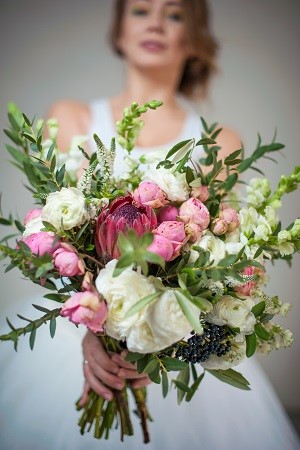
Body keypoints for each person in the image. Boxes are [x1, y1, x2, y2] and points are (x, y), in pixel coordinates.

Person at [0, 1, 299, 449]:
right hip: (79, 329)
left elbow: (213, 257)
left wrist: (156, 349)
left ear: (193, 38)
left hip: (168, 339)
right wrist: (94, 334)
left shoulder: (220, 143)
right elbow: (61, 243)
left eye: (175, 14)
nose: (156, 22)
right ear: (119, 31)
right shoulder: (74, 119)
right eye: (140, 11)